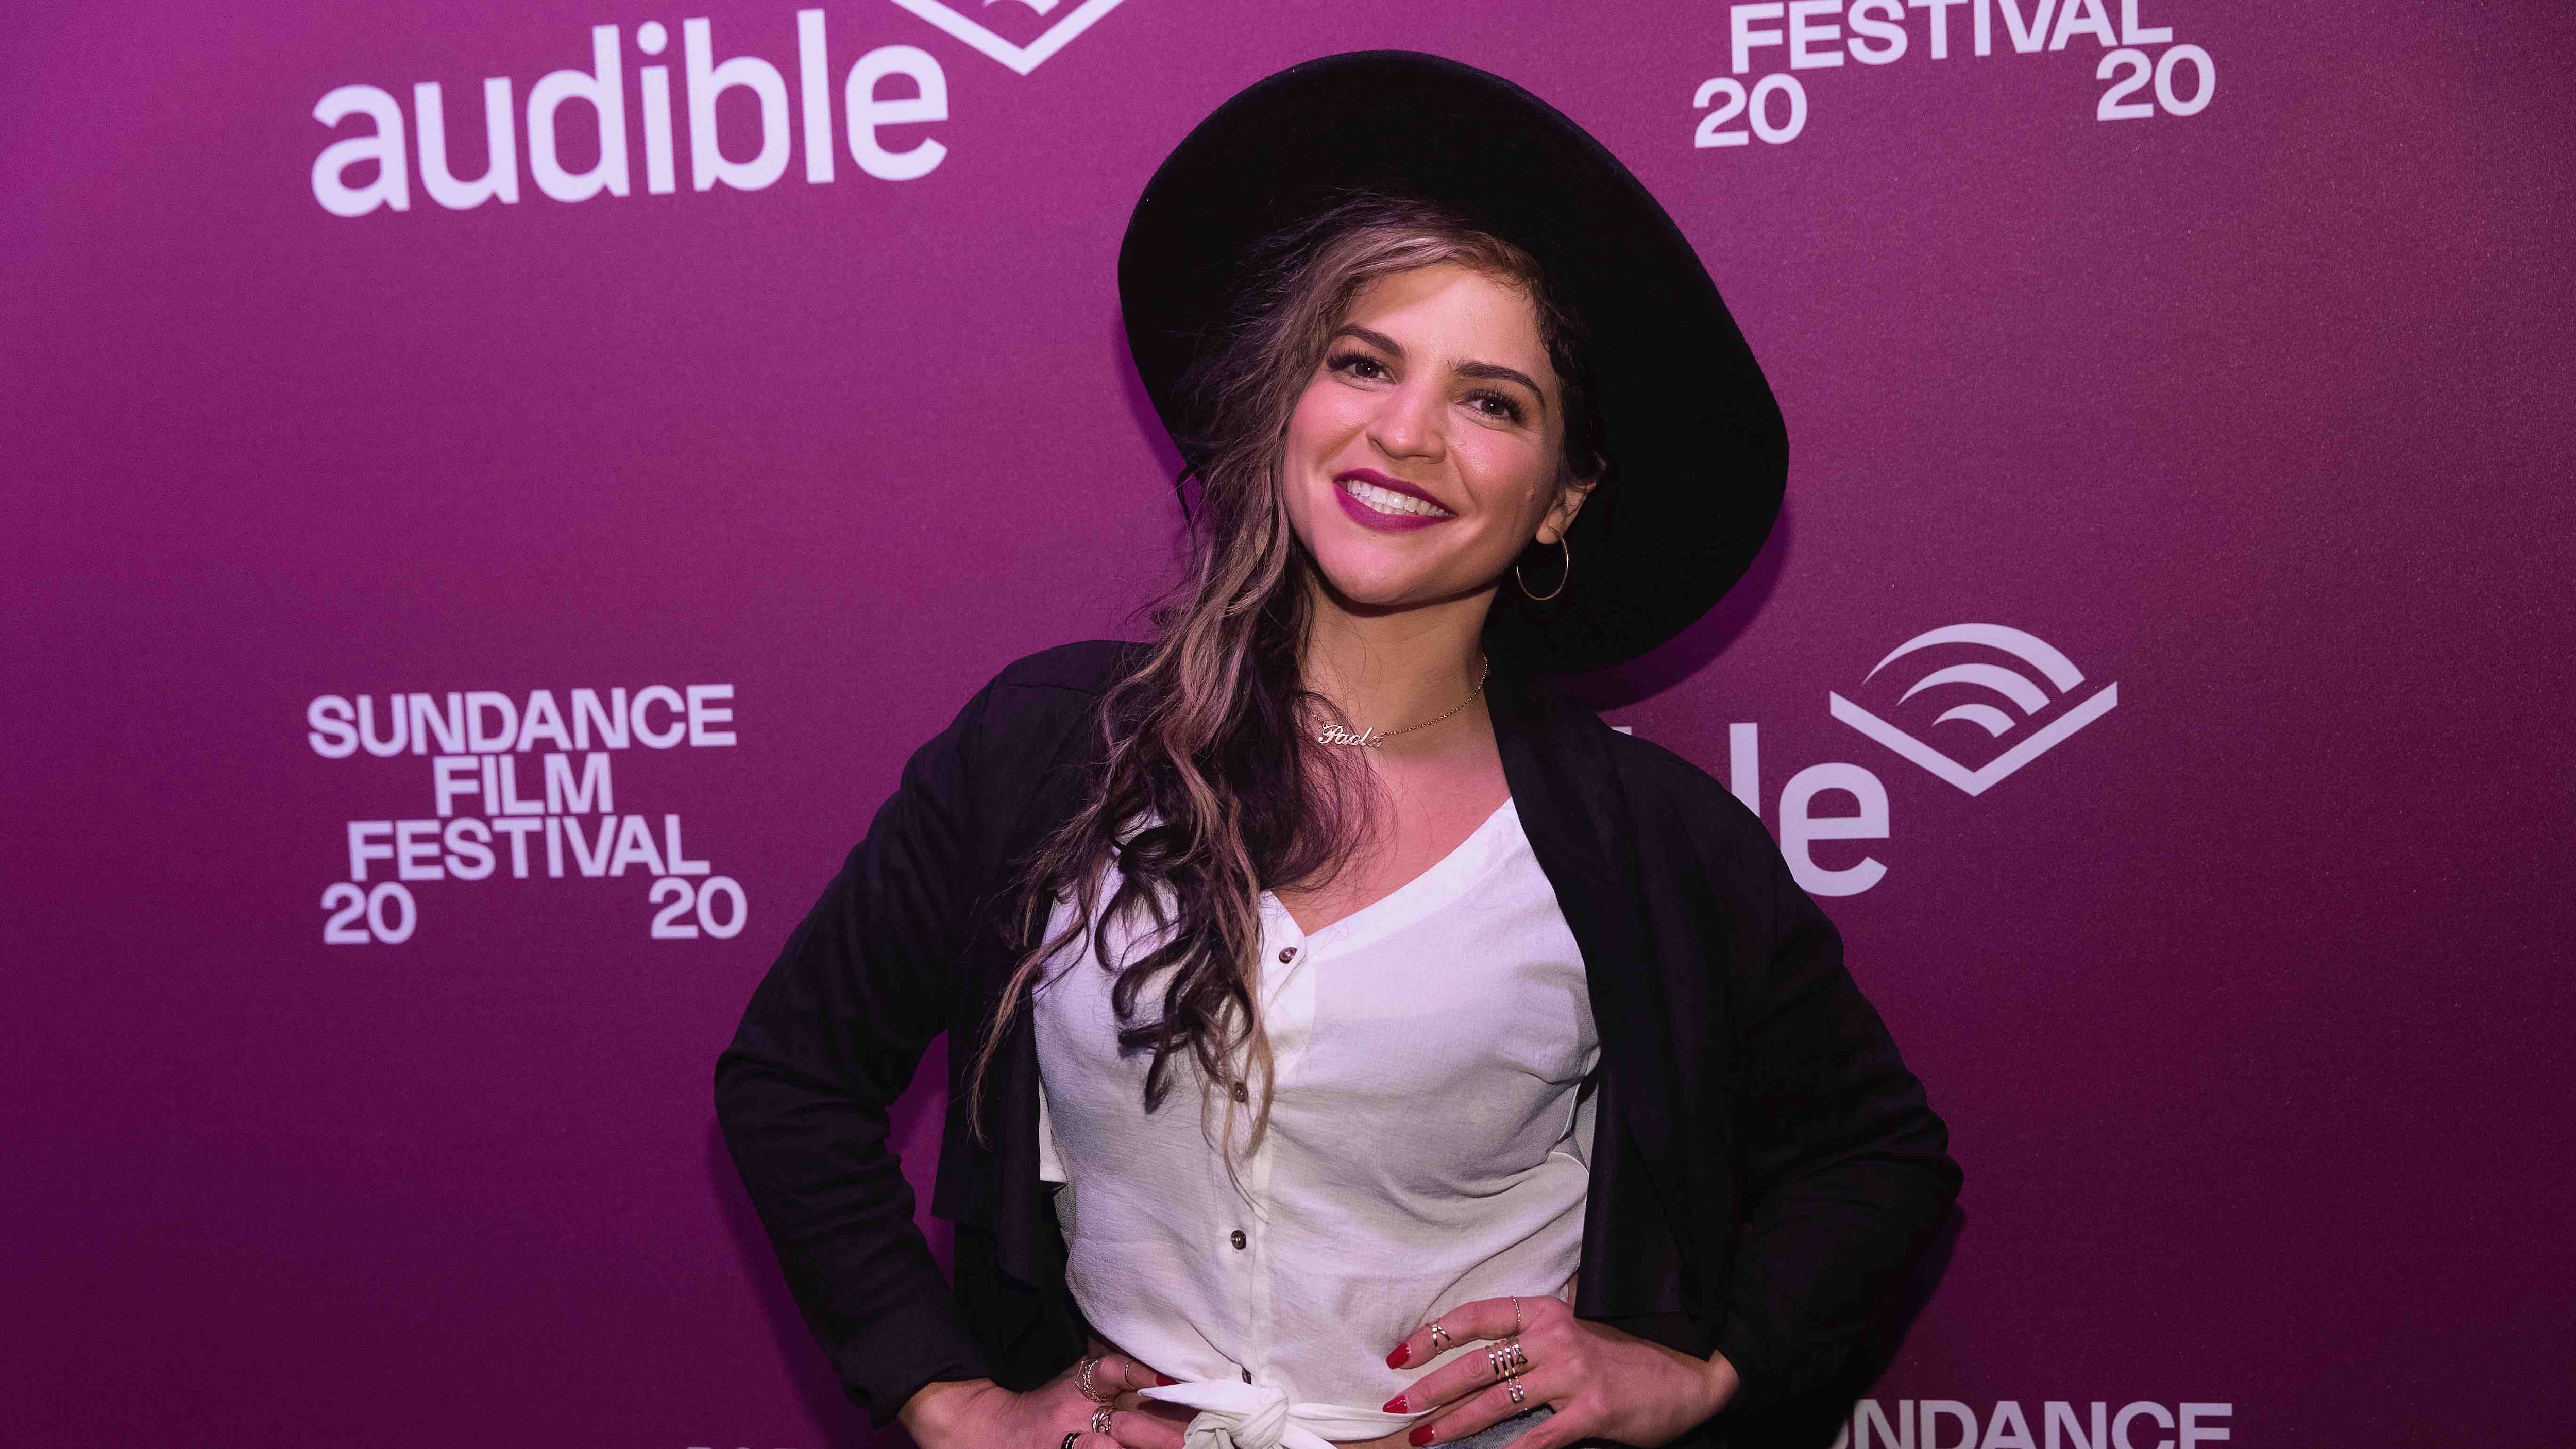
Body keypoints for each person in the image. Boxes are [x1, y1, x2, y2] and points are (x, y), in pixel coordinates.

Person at [714, 50, 1960, 1449]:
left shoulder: (1650, 842)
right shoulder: (1052, 753)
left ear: (1563, 499)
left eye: (1493, 401)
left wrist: (1699, 1375)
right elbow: (792, 1080)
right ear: (1285, 405)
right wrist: (952, 1405)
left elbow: (1877, 1159)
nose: (1406, 433)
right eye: (1362, 363)